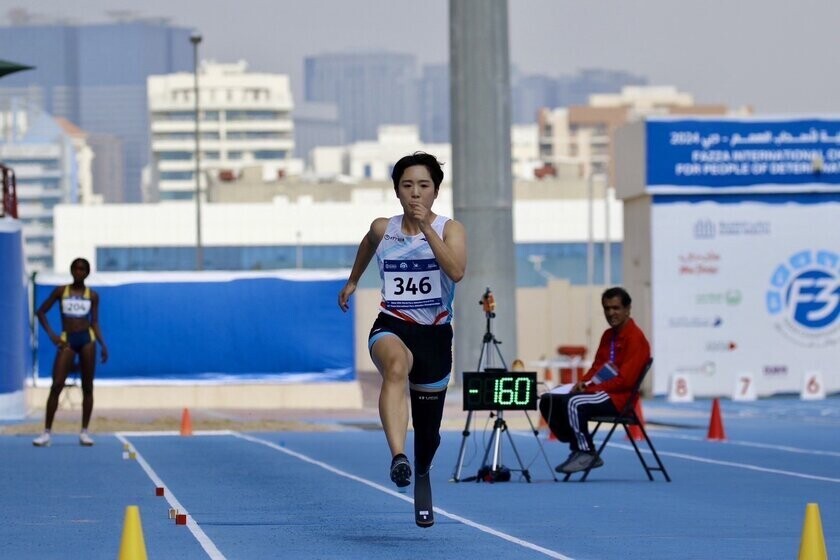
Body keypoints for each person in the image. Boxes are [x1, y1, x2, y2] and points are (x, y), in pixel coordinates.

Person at [338, 152, 466, 527]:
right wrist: (353, 280)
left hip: (435, 336)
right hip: (392, 325)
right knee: (394, 367)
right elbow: (367, 243)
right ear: (396, 190)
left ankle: (421, 466)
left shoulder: (450, 229)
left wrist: (427, 229)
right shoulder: (384, 228)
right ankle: (398, 456)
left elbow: (457, 272)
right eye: (407, 185)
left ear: (435, 191)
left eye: (423, 186)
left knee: (429, 435)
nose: (415, 194)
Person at [538, 286, 650, 473]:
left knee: (574, 403)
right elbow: (597, 366)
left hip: (619, 399)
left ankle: (586, 452)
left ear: (628, 309)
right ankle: (573, 439)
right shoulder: (608, 336)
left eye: (616, 308)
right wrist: (583, 383)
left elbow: (625, 382)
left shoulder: (635, 339)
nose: (611, 313)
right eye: (607, 308)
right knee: (550, 399)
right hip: (602, 392)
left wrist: (589, 390)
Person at [33, 258, 108, 447]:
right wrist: (52, 336)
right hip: (67, 340)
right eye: (76, 268)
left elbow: (95, 322)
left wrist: (103, 344)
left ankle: (84, 431)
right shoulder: (61, 291)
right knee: (57, 384)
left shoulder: (92, 295)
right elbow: (40, 312)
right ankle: (46, 433)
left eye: (83, 269)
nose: (79, 272)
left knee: (87, 386)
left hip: (87, 340)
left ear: (87, 273)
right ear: (71, 270)